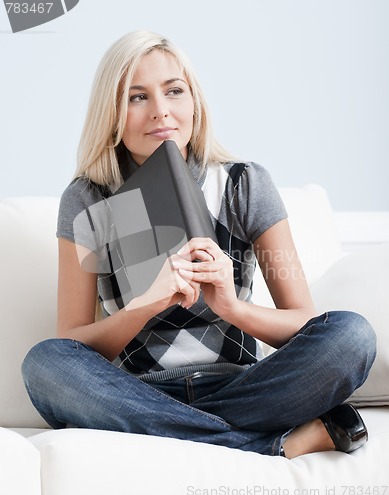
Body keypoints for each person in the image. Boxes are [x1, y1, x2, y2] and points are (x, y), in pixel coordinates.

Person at [22, 30, 376, 459]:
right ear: (111, 112)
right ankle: (266, 446)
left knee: (352, 335)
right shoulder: (87, 199)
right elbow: (72, 343)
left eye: (174, 91)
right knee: (45, 364)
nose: (161, 112)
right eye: (137, 97)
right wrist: (148, 304)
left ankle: (179, 434)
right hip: (139, 392)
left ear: (195, 102)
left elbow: (303, 320)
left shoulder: (244, 184)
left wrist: (232, 307)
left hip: (244, 388)